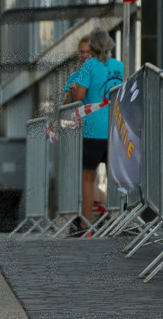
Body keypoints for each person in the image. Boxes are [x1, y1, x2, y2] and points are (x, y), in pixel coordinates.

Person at [71, 27, 122, 231]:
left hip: (93, 129)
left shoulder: (89, 65)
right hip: (116, 129)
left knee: (88, 177)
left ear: (91, 47)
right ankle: (117, 219)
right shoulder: (120, 66)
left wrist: (77, 89)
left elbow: (79, 96)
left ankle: (85, 223)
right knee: (115, 177)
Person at [63, 36, 92, 105]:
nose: (85, 55)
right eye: (82, 52)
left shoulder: (101, 73)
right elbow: (64, 108)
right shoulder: (74, 77)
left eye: (88, 52)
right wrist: (70, 94)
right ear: (79, 54)